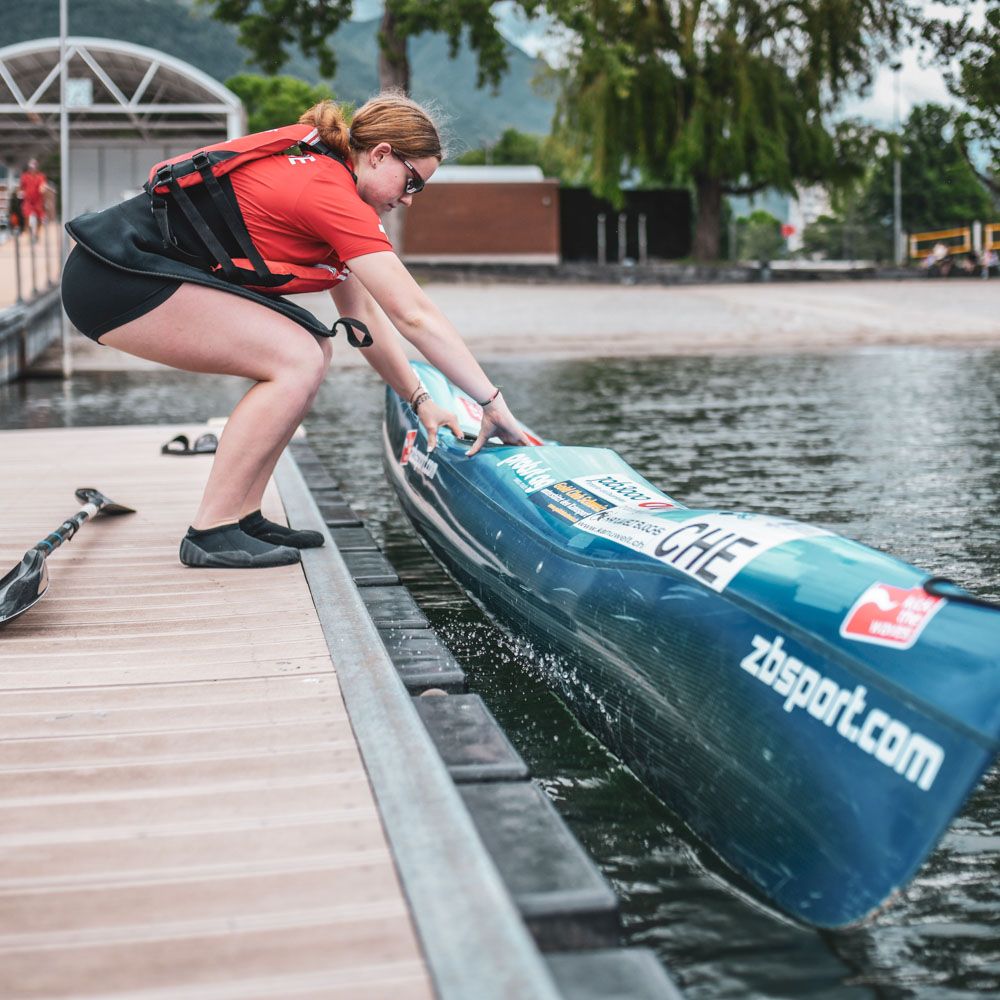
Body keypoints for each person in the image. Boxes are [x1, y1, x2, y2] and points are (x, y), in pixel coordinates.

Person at [61, 93, 531, 569]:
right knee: (294, 357)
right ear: (381, 154)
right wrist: (492, 403)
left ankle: (242, 515)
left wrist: (421, 400)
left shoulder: (336, 185)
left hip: (125, 272)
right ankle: (211, 529)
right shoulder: (328, 191)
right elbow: (414, 315)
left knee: (314, 348)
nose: (409, 198)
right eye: (413, 182)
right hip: (113, 277)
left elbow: (363, 319)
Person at [18, 159, 48, 237]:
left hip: (38, 200)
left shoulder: (41, 176)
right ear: (29, 168)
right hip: (28, 200)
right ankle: (27, 232)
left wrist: (43, 188)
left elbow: (43, 185)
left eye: (34, 167)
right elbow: (21, 186)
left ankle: (37, 233)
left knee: (39, 217)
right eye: (31, 167)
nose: (33, 169)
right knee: (26, 216)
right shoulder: (24, 176)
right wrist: (20, 193)